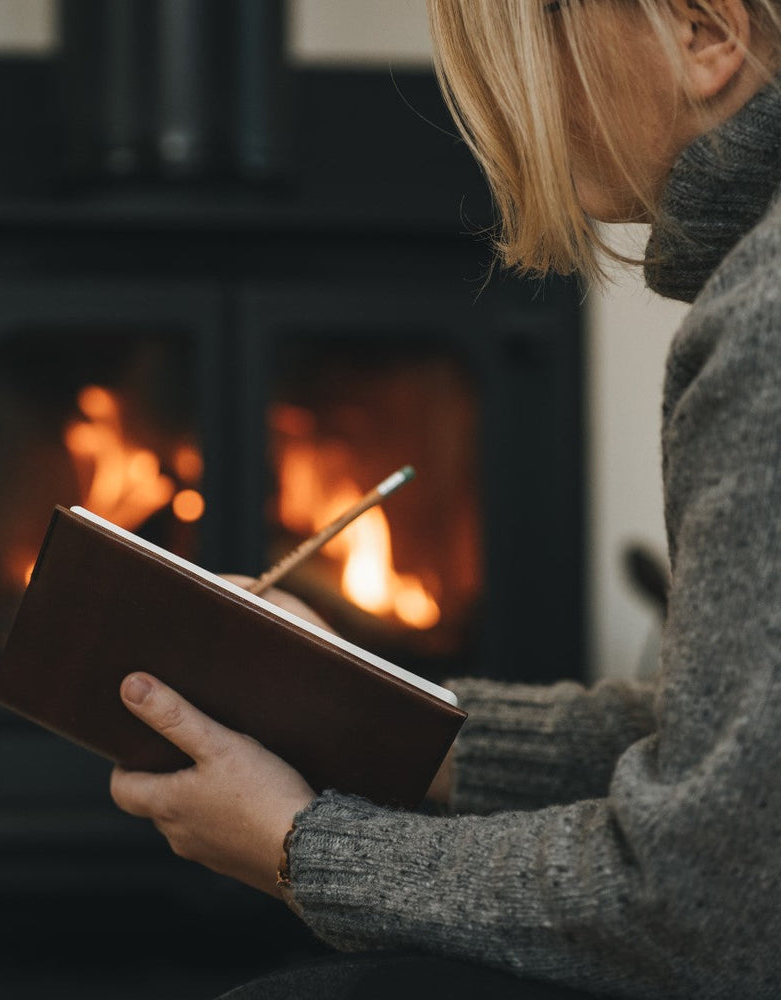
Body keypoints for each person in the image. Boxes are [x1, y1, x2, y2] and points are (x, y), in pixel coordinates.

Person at [108, 1, 781, 996]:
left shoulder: (763, 319)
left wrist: (303, 850)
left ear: (703, 34)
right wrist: (351, 703)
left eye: (527, 54)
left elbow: (700, 900)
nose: (509, 115)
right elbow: (733, 764)